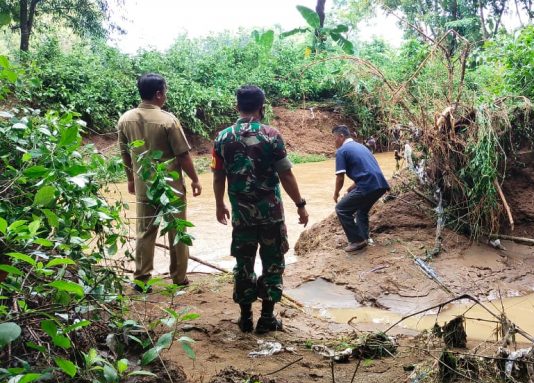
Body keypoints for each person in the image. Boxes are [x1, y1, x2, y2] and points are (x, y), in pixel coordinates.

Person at [212, 85, 309, 334]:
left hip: (241, 217)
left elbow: (218, 175)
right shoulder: (271, 135)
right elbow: (285, 174)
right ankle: (266, 318)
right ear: (262, 107)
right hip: (271, 216)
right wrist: (300, 205)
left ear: (237, 106)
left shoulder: (222, 137)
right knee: (273, 263)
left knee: (243, 265)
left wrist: (219, 203)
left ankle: (245, 318)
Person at [118, 73, 202, 290]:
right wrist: (194, 179)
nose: (165, 95)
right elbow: (182, 155)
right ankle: (179, 278)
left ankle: (141, 279)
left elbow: (125, 155)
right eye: (165, 91)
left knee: (145, 232)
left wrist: (130, 180)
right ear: (158, 94)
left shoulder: (125, 119)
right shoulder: (168, 120)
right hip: (170, 187)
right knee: (177, 230)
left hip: (144, 187)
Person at [333, 125, 390, 252]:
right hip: (381, 184)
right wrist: (351, 188)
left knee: (341, 209)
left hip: (367, 185)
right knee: (362, 210)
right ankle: (364, 238)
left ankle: (357, 240)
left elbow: (340, 177)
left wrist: (336, 194)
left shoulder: (342, 151)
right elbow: (367, 170)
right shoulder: (361, 146)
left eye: (335, 138)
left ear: (341, 136)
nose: (334, 142)